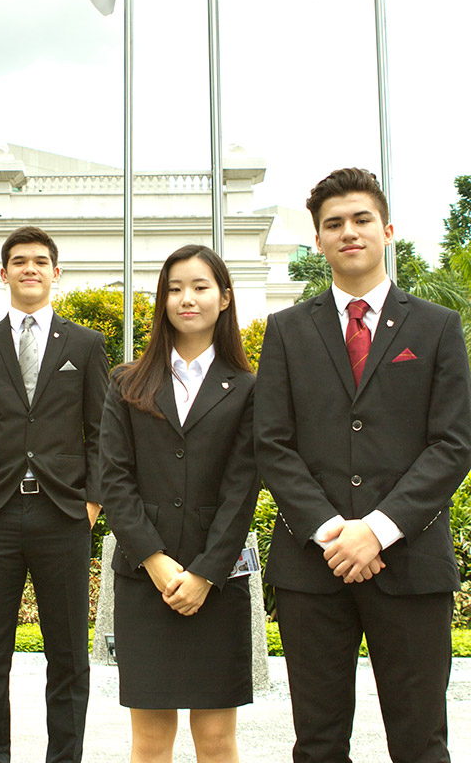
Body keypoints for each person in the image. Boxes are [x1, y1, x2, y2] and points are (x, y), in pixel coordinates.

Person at [254, 167, 471, 763]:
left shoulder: (436, 327)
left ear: (387, 230)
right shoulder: (287, 331)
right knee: (318, 743)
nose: (348, 232)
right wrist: (332, 531)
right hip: (311, 565)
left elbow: (452, 443)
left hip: (411, 561)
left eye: (360, 219)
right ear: (319, 241)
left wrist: (375, 529)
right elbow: (272, 443)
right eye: (333, 224)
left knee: (421, 741)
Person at [0, 225, 109, 763]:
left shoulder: (86, 345)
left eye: (41, 261)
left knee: (67, 656)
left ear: (55, 272)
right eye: (19, 261)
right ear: (3, 273)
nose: (30, 269)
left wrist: (91, 504)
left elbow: (101, 433)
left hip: (63, 514)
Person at [100, 244, 258, 763]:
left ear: (225, 297)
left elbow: (243, 489)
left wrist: (206, 572)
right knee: (149, 742)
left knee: (215, 741)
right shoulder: (127, 382)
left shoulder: (249, 388)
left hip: (218, 583)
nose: (186, 298)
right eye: (173, 289)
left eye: (199, 287)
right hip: (146, 579)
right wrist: (154, 558)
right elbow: (115, 478)